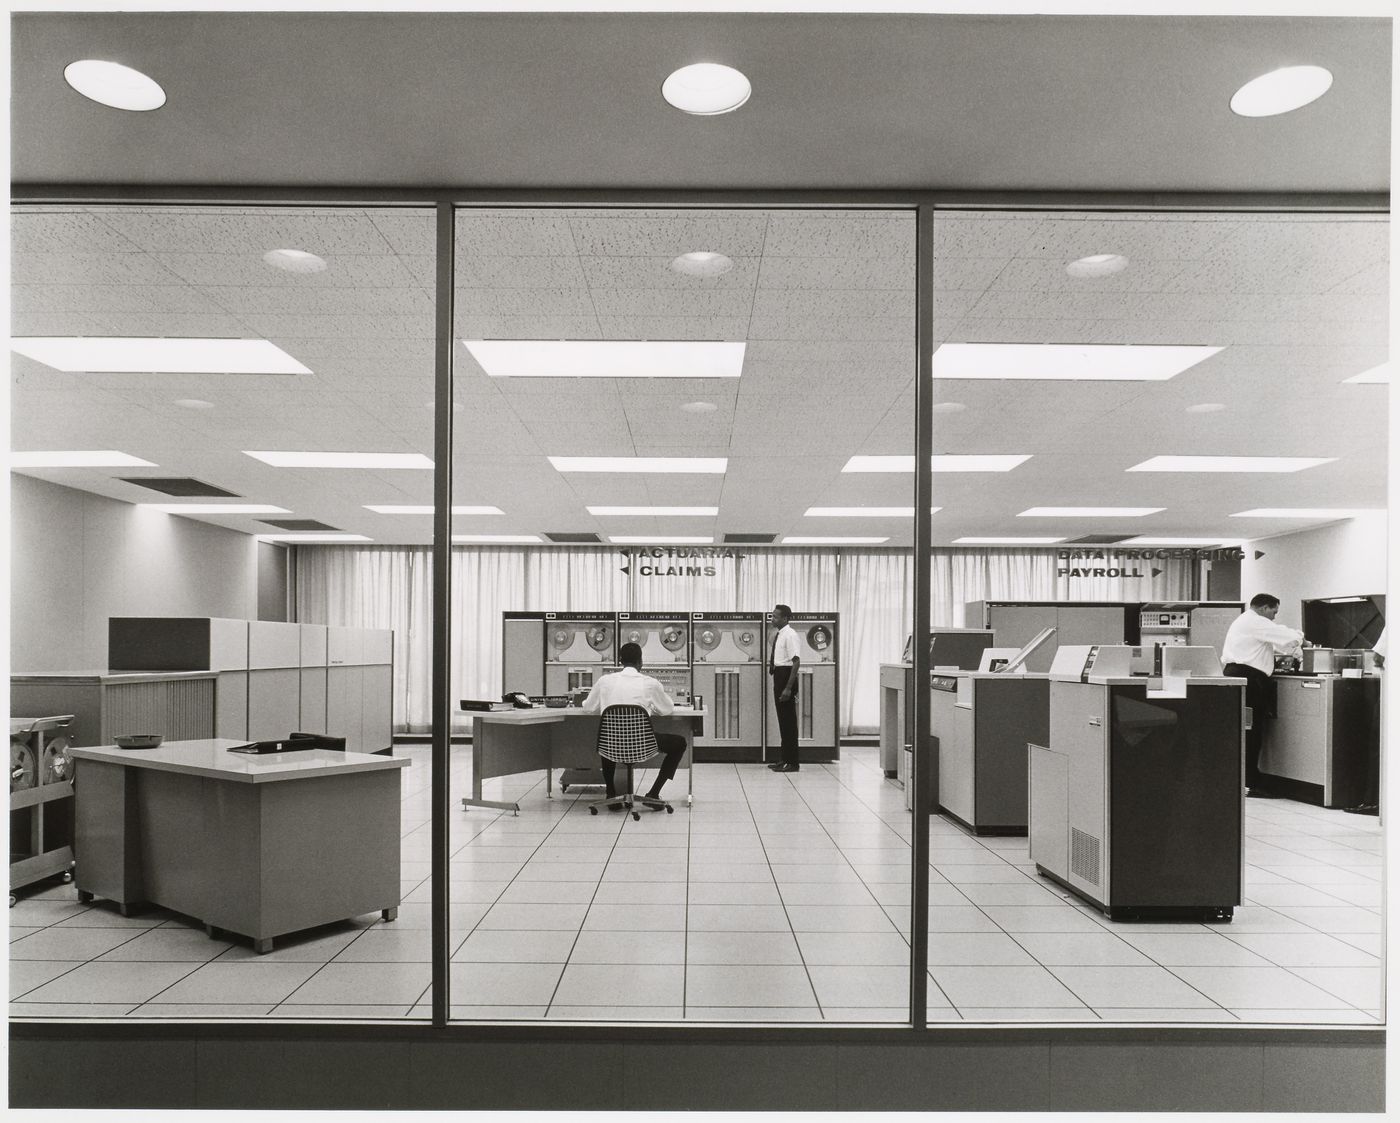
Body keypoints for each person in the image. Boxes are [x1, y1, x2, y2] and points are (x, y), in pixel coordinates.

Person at [580, 641, 687, 806]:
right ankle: (653, 794)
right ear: (640, 662)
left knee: (610, 736)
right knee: (680, 743)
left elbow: (587, 708)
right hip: (642, 744)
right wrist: (650, 707)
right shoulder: (650, 683)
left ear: (621, 661)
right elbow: (667, 709)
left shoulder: (604, 681)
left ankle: (611, 794)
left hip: (610, 745)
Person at [1221, 593, 1305, 798]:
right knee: (1252, 731)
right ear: (1264, 608)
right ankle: (1250, 782)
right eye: (1274, 612)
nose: (1274, 617)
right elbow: (1288, 637)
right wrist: (1302, 638)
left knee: (1246, 730)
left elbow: (1276, 642)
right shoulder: (1255, 621)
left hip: (1239, 677)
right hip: (1250, 680)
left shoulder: (1245, 622)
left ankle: (1248, 779)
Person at [767, 603, 802, 772]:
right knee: (783, 721)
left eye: (775, 616)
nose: (772, 618)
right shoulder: (780, 634)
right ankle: (784, 759)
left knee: (789, 722)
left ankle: (793, 762)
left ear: (785, 618)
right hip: (780, 676)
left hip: (786, 677)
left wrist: (788, 688)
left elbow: (796, 662)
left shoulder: (790, 635)